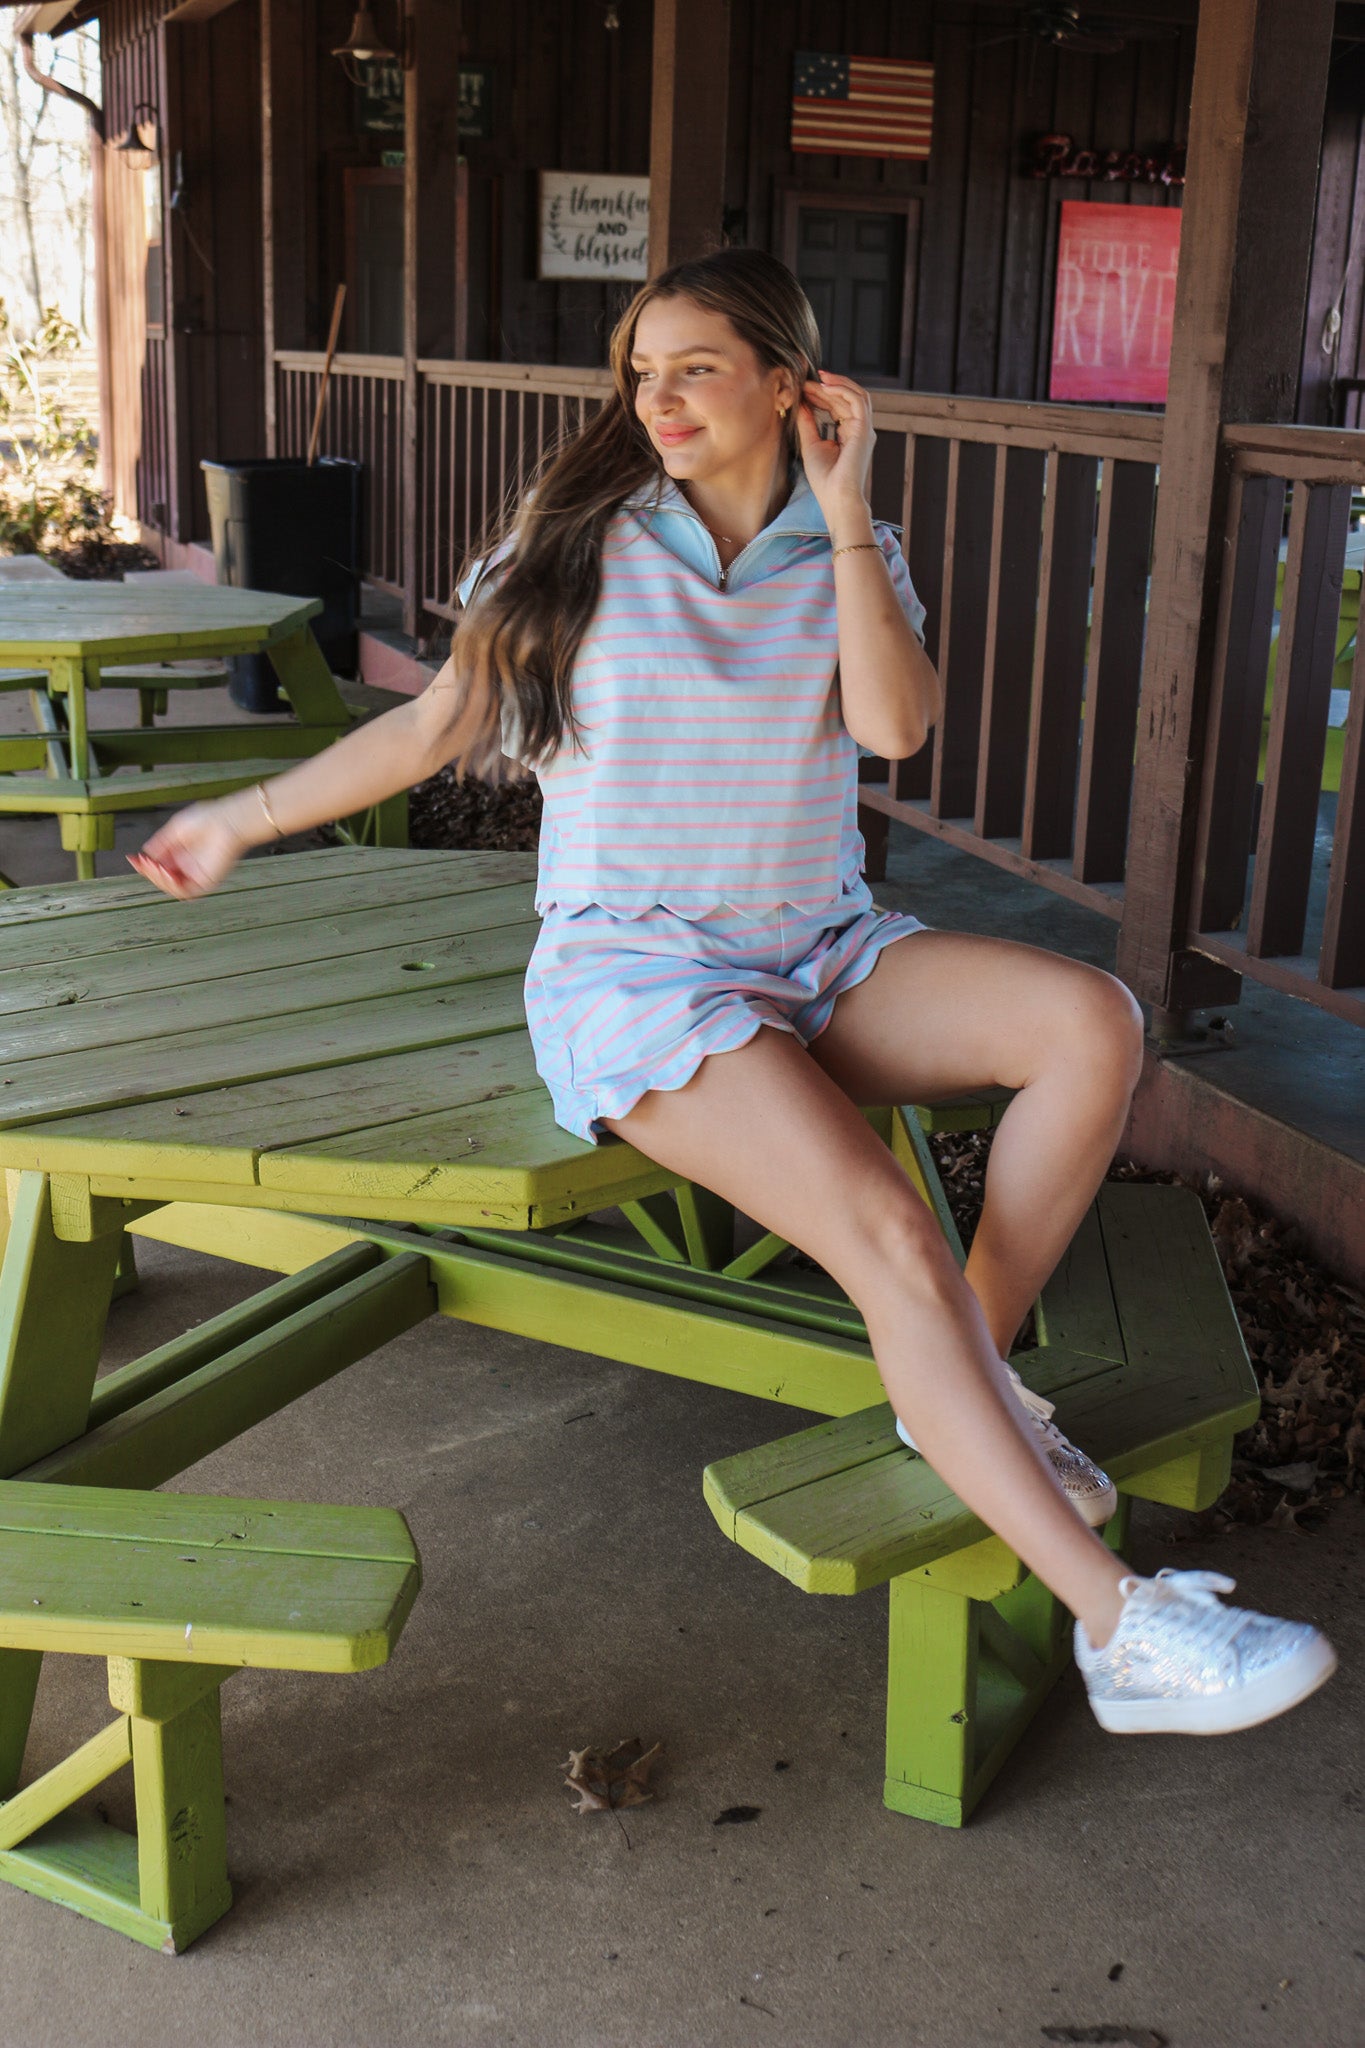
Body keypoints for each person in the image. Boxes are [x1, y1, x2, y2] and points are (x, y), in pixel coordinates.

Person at [136, 248, 1335, 1738]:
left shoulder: (847, 545)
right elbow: (435, 726)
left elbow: (893, 727)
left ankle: (950, 1376)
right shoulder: (574, 539)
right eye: (641, 371)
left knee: (1094, 1023)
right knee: (886, 1227)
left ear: (789, 382)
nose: (659, 399)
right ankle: (1118, 1627)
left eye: (694, 366)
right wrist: (239, 821)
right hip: (638, 976)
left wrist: (842, 514)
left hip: (820, 951)